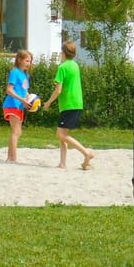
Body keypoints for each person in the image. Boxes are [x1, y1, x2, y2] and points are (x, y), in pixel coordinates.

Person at [43, 41, 94, 170]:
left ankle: (86, 153)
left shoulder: (62, 68)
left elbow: (58, 90)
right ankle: (62, 163)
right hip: (76, 103)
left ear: (64, 52)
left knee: (61, 135)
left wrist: (48, 103)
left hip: (68, 104)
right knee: (62, 134)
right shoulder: (75, 65)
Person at [2, 49, 34, 163]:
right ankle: (13, 158)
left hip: (19, 106)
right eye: (26, 61)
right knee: (16, 131)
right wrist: (22, 100)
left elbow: (24, 91)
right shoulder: (15, 72)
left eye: (30, 61)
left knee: (17, 132)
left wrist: (30, 99)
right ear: (19, 60)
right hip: (12, 104)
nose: (28, 63)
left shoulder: (25, 74)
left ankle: (9, 158)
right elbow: (9, 90)